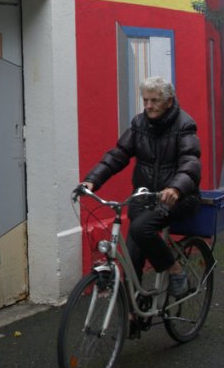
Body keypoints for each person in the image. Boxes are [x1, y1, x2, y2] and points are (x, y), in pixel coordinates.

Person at [81, 75, 201, 302]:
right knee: (132, 255)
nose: (148, 106)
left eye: (154, 101)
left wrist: (176, 188)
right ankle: (134, 313)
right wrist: (92, 180)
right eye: (145, 100)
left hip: (178, 198)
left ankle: (174, 269)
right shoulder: (139, 124)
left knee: (140, 229)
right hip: (145, 198)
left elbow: (190, 162)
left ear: (168, 101)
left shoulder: (184, 125)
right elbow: (118, 155)